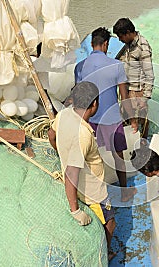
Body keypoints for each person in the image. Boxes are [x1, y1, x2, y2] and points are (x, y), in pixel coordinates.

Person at [47, 81, 116, 260]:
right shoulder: (83, 134)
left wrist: (61, 152)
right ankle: (104, 254)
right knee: (110, 223)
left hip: (80, 185)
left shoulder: (63, 114)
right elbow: (71, 173)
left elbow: (51, 135)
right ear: (94, 104)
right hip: (93, 192)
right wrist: (75, 210)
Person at [74, 27, 138, 202]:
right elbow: (124, 98)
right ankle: (125, 192)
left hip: (89, 118)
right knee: (118, 156)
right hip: (111, 118)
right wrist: (132, 120)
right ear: (106, 44)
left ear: (92, 44)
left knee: (88, 156)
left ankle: (88, 193)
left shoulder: (79, 67)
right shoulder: (116, 66)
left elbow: (79, 95)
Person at [113, 18, 155, 139]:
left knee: (140, 122)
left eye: (121, 36)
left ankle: (142, 146)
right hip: (127, 89)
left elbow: (149, 74)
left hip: (137, 92)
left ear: (128, 32)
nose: (120, 40)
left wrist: (145, 98)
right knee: (127, 119)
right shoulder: (127, 45)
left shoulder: (142, 47)